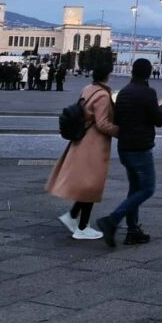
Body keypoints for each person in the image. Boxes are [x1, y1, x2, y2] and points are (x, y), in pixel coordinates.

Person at [96, 59, 162, 248]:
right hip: (140, 148)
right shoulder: (148, 93)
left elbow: (118, 119)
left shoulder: (123, 93)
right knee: (147, 188)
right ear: (149, 73)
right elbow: (158, 120)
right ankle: (112, 220)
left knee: (135, 189)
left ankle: (133, 230)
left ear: (132, 72)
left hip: (125, 147)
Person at [46, 58, 119, 240]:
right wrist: (121, 131)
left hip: (82, 139)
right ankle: (82, 227)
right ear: (107, 75)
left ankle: (72, 217)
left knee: (87, 183)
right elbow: (102, 123)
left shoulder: (88, 89)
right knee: (91, 184)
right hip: (94, 143)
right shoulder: (102, 95)